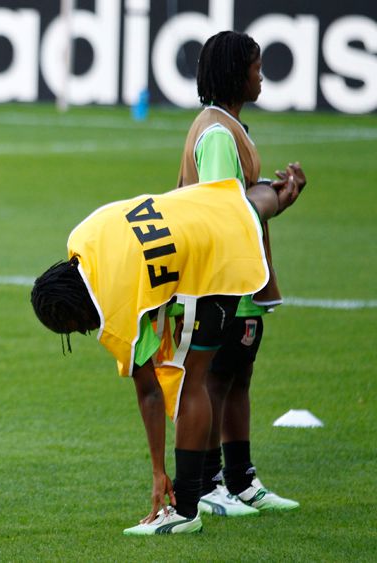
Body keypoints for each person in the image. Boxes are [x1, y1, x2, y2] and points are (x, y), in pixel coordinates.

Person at [30, 176, 303, 535]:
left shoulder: (116, 309)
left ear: (75, 310)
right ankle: (283, 186)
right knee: (252, 207)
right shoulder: (83, 236)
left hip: (218, 266)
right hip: (214, 210)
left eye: (76, 327)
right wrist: (279, 195)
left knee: (192, 380)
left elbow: (150, 393)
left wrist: (159, 472)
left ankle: (185, 510)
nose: (84, 331)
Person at [178, 30, 305, 517]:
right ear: (237, 74)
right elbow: (220, 210)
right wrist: (272, 199)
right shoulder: (216, 134)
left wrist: (275, 196)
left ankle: (241, 480)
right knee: (215, 379)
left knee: (237, 376)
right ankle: (210, 484)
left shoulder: (228, 126)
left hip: (240, 278)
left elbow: (239, 200)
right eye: (256, 67)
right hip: (220, 282)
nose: (262, 76)